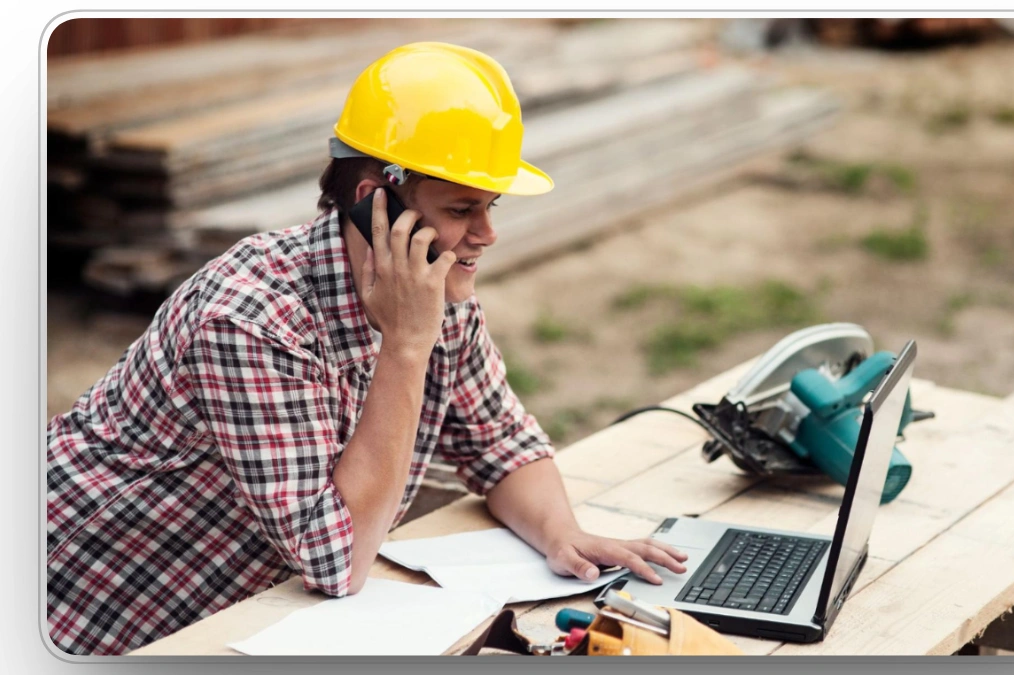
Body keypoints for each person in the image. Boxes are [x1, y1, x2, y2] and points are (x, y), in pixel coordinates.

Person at [45, 42, 688, 656]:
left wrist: (563, 535)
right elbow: (337, 560)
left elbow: (500, 443)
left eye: (492, 205)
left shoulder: (437, 291)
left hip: (241, 605)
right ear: (372, 201)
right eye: (464, 208)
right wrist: (406, 347)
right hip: (91, 613)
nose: (488, 234)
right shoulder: (250, 318)